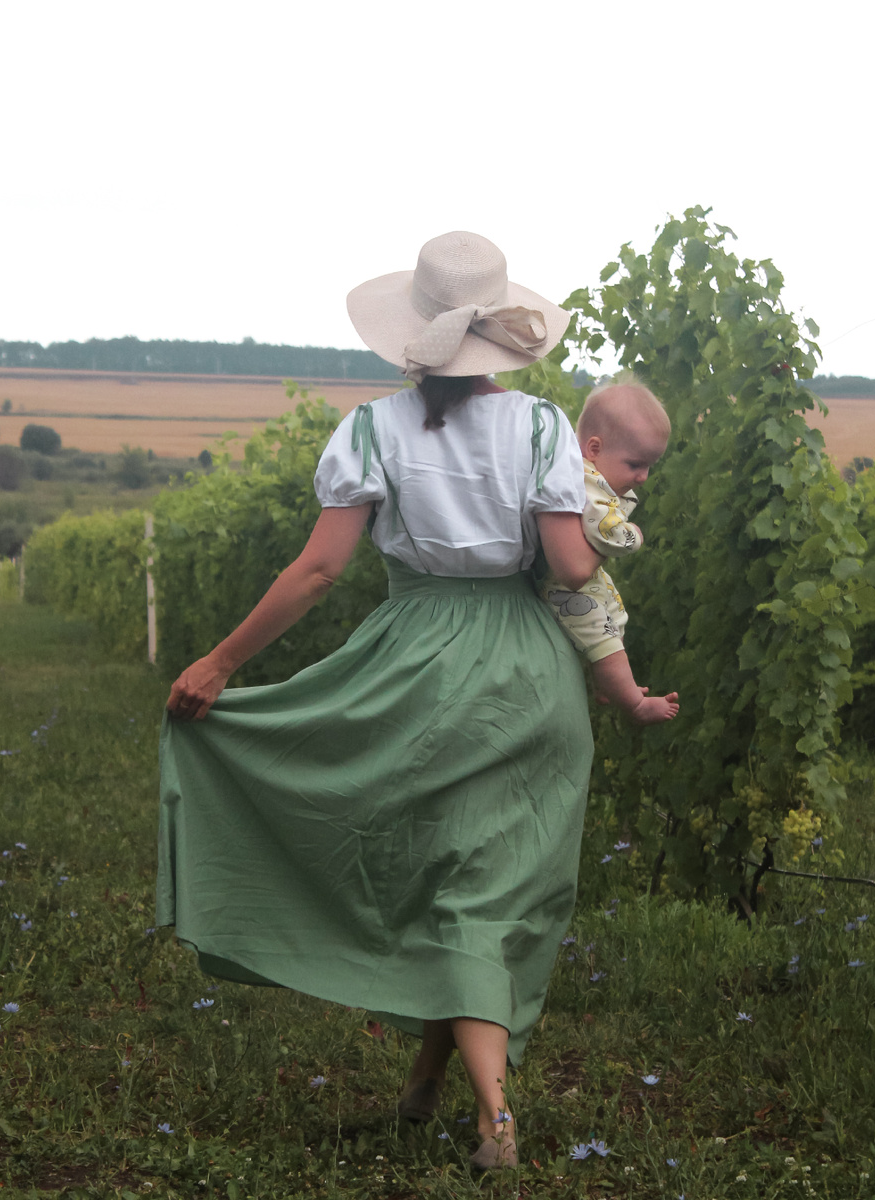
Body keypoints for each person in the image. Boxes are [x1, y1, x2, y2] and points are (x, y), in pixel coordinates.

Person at [157, 231, 604, 1170]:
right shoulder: (541, 429)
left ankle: (441, 1090)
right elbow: (568, 565)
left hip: (416, 666)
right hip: (527, 672)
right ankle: (487, 1108)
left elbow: (320, 570)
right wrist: (613, 542)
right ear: (499, 342)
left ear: (411, 335)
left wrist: (222, 662)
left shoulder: (372, 428)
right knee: (492, 883)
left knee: (432, 873)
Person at [537, 380, 679, 723]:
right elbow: (608, 534)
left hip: (581, 585)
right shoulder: (588, 482)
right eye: (635, 465)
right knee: (605, 640)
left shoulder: (590, 474)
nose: (643, 477)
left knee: (615, 622)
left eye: (649, 466)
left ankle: (608, 684)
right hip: (565, 591)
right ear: (595, 448)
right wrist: (634, 535)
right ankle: (634, 704)